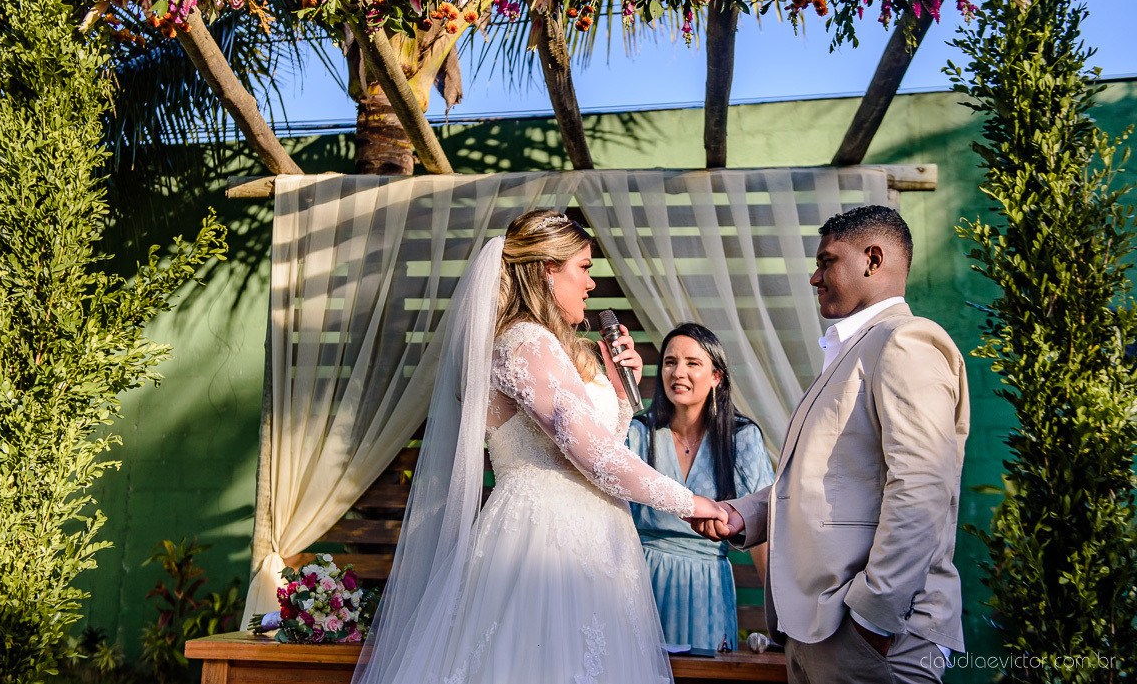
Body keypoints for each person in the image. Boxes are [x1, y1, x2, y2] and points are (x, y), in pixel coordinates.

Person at [353, 209, 725, 684]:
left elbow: (599, 444)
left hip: (596, 542)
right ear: (548, 269)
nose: (591, 285)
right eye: (584, 269)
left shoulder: (556, 345)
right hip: (545, 543)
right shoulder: (524, 341)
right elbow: (590, 454)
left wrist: (618, 387)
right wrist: (687, 503)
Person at [691, 205, 970, 684]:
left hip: (873, 636)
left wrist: (873, 619)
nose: (814, 277)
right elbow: (824, 480)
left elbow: (922, 487)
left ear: (873, 260)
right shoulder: (854, 350)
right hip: (823, 631)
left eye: (827, 261)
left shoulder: (906, 342)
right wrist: (744, 515)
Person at [626, 323, 774, 651]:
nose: (679, 372)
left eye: (693, 363)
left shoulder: (742, 437)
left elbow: (765, 529)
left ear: (716, 377)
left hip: (708, 587)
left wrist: (781, 618)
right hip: (641, 583)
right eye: (670, 362)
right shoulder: (638, 432)